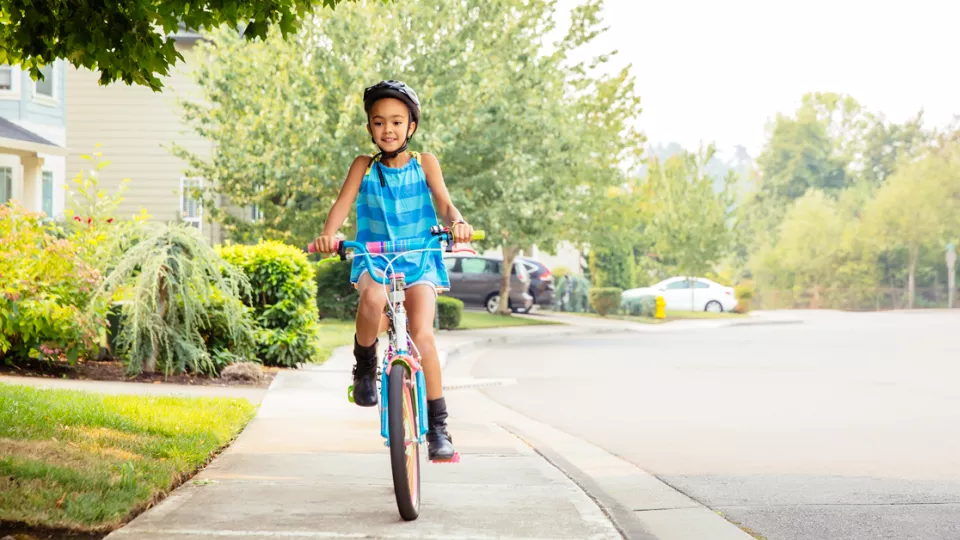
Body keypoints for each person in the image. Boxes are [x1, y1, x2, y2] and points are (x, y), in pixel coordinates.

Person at [312, 80, 473, 461]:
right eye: (379, 122)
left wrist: (460, 223)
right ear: (369, 128)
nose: (388, 129)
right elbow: (342, 204)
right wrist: (328, 234)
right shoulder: (363, 167)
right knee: (372, 298)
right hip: (375, 256)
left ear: (411, 127)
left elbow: (447, 207)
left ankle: (438, 428)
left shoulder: (425, 162)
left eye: (397, 122)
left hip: (419, 257)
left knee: (422, 334)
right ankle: (365, 367)